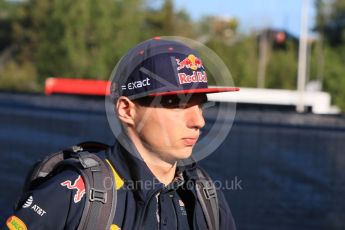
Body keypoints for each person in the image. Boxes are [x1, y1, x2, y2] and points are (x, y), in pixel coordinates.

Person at [3, 37, 238, 230]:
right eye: (175, 103)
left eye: (200, 104)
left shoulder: (206, 195)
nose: (198, 121)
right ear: (127, 110)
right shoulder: (76, 190)